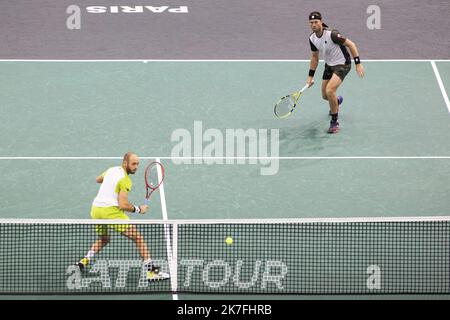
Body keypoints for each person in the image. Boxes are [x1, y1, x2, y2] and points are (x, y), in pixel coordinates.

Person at [76, 152, 169, 281]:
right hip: (111, 212)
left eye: (137, 164)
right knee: (138, 238)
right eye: (133, 164)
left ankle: (84, 260)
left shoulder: (111, 169)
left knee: (104, 239)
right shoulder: (125, 180)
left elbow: (98, 179)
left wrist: (110, 183)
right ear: (125, 163)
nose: (136, 167)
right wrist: (139, 209)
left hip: (96, 209)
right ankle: (152, 272)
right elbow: (123, 205)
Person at [306, 11, 365, 133]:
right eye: (311, 23)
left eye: (316, 22)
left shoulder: (332, 34)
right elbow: (315, 58)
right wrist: (310, 77)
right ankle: (336, 101)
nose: (313, 25)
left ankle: (334, 122)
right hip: (329, 65)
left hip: (343, 64)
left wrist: (358, 63)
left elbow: (351, 44)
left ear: (321, 21)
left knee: (330, 90)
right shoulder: (312, 38)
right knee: (325, 95)